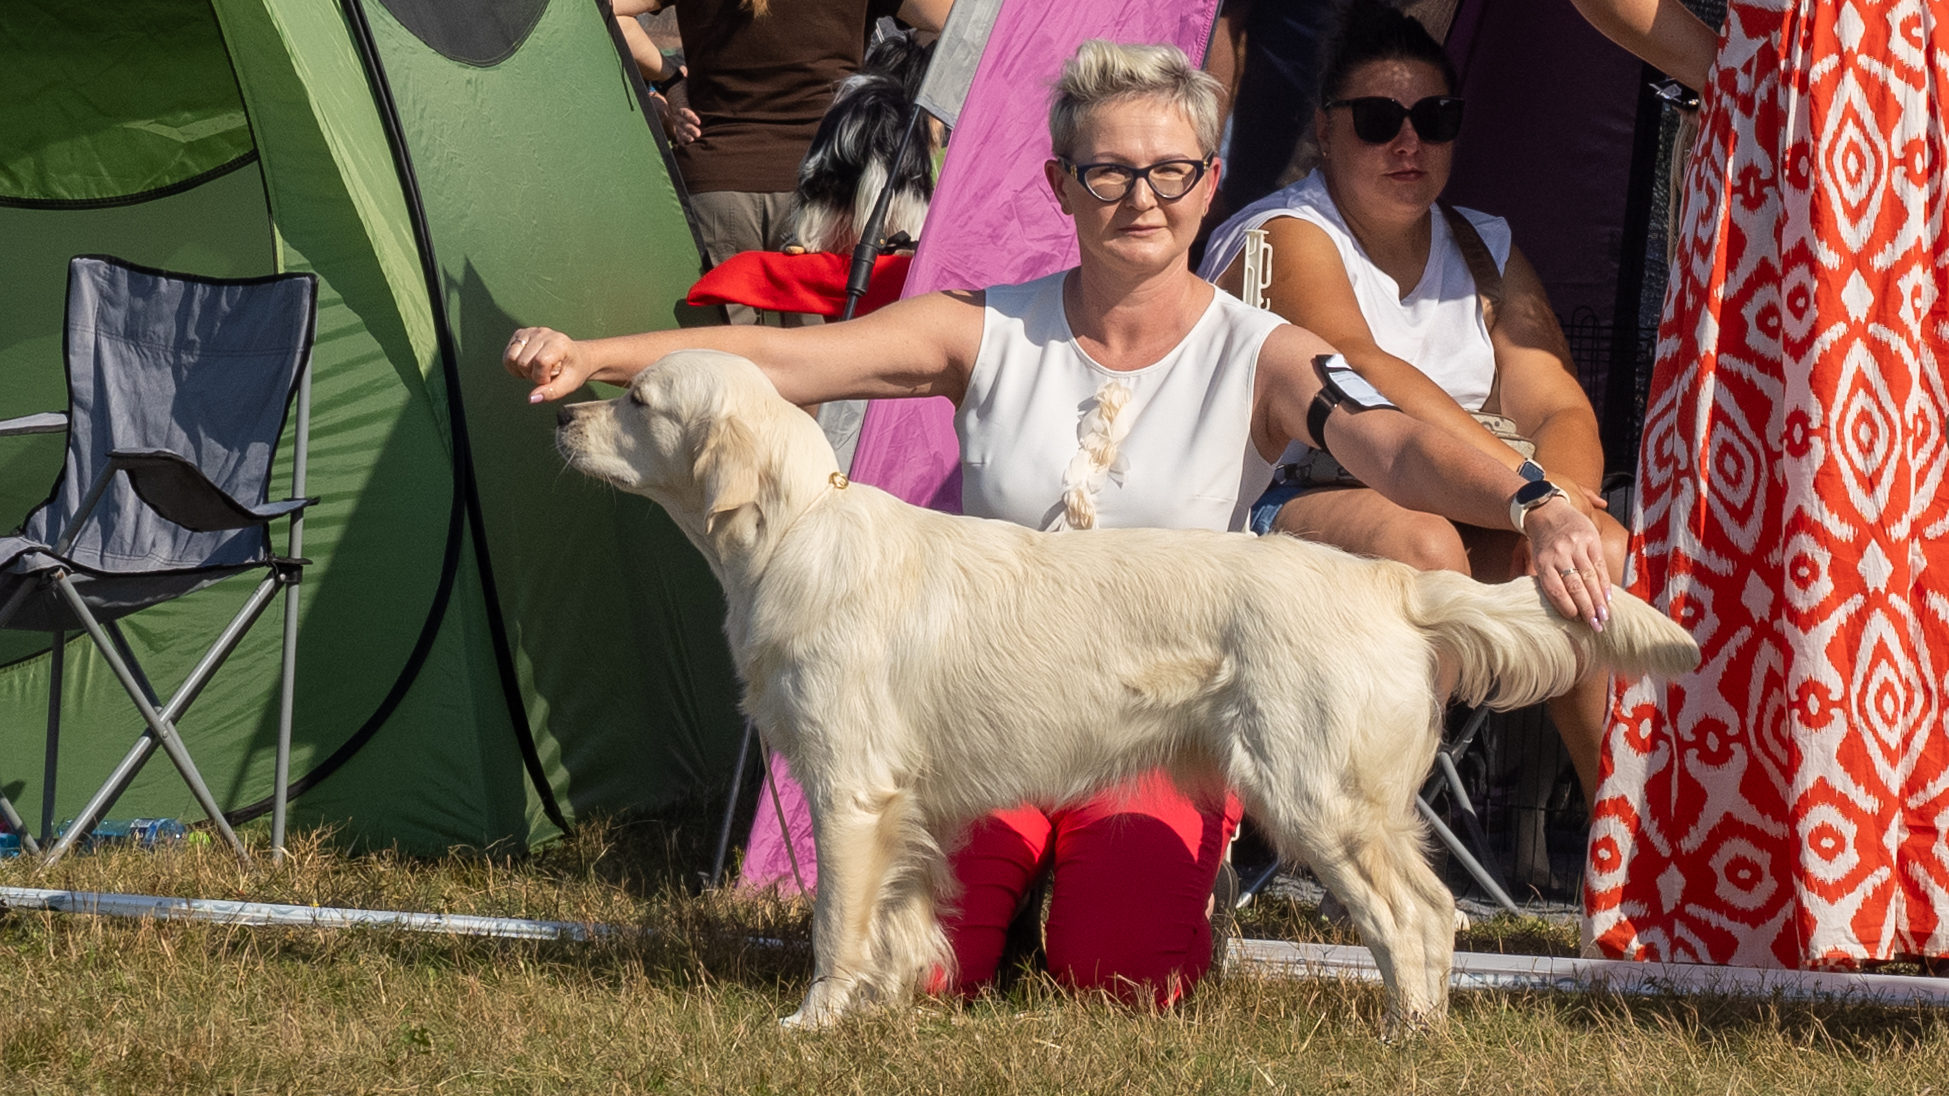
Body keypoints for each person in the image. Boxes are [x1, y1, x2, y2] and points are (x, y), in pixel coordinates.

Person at [508, 40, 1610, 1003]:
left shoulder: (1261, 350)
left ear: (1207, 182)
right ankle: (1006, 892)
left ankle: (1139, 887)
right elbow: (775, 364)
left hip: (1155, 724)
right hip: (976, 728)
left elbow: (1396, 445)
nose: (1141, 197)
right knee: (919, 975)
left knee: (1121, 975)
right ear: (1060, 185)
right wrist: (600, 357)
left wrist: (1535, 501)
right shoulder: (982, 327)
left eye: (1170, 171)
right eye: (1107, 171)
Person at [1566, 0, 1949, 968]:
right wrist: (1734, 61)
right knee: (1810, 484)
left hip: (1868, 104)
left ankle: (1910, 885)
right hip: (1798, 126)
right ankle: (1807, 887)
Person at [1200, 0, 1625, 815]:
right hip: (1282, 504)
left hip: (1465, 495)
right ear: (1324, 131)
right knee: (1421, 545)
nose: (1408, 143)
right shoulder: (1281, 234)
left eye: (1434, 119)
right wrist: (1530, 493)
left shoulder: (1483, 243)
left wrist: (1561, 507)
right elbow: (1366, 370)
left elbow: (1556, 402)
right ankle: (1367, 831)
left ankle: (1624, 834)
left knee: (1598, 551)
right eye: (1377, 120)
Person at [639, 0, 950, 325]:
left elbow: (613, 9)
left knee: (720, 349)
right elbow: (948, 19)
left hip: (715, 184)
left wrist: (671, 83)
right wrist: (884, 93)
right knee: (812, 351)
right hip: (824, 192)